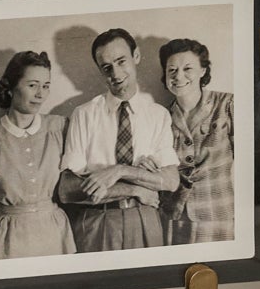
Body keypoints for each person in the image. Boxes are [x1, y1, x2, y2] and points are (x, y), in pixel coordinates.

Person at [56, 27, 179, 250]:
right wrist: (138, 188)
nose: (116, 73)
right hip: (98, 222)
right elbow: (66, 190)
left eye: (121, 61)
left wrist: (118, 171)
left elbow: (170, 181)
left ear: (136, 56)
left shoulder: (158, 115)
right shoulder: (84, 114)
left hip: (145, 220)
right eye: (106, 67)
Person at [0, 50, 74, 261]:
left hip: (55, 236)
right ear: (11, 88)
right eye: (32, 85)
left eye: (46, 85)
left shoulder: (60, 127)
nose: (40, 94)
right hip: (8, 240)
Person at [160, 36, 234, 244]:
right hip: (175, 218)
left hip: (218, 215)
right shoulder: (161, 117)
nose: (178, 76)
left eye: (187, 68)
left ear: (203, 71)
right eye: (171, 70)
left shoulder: (227, 104)